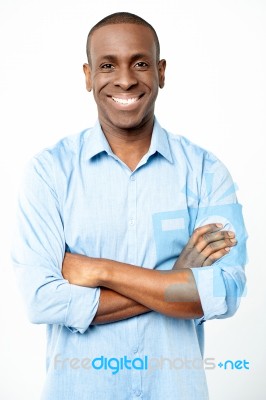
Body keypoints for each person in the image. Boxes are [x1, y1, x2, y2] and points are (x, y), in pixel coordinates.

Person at [11, 12, 247, 400]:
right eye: (108, 65)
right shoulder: (48, 173)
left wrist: (99, 270)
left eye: (140, 63)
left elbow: (225, 292)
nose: (125, 79)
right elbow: (42, 300)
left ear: (161, 72)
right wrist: (175, 280)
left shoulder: (207, 172)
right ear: (88, 76)